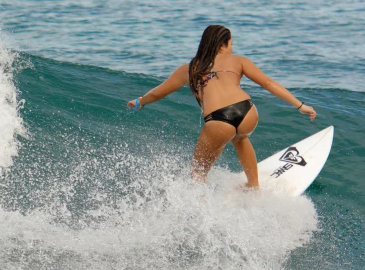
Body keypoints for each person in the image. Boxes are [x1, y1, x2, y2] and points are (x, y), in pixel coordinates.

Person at [127, 25, 317, 189]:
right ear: (221, 45)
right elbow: (268, 83)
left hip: (218, 119)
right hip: (247, 111)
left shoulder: (188, 69)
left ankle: (198, 211)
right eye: (231, 44)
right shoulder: (239, 61)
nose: (232, 48)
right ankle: (253, 186)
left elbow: (158, 93)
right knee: (241, 138)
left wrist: (139, 102)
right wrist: (300, 105)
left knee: (198, 171)